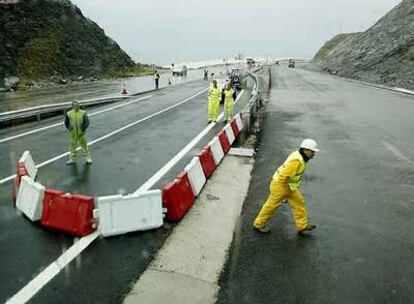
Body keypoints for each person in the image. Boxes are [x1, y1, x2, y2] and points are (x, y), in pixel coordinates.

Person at [253, 139, 320, 234]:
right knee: (271, 206)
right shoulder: (296, 160)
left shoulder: (300, 156)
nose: (313, 154)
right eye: (312, 151)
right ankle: (258, 224)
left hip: (289, 187)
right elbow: (284, 176)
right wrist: (283, 194)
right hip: (281, 186)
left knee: (299, 203)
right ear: (305, 150)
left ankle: (302, 226)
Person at [64, 101, 92, 165]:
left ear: (78, 105)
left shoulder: (83, 112)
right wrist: (69, 128)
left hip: (81, 133)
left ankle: (87, 158)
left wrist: (83, 129)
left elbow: (87, 122)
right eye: (74, 105)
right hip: (73, 133)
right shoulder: (69, 113)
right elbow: (66, 122)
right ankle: (72, 159)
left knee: (84, 146)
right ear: (72, 106)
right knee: (72, 146)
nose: (75, 106)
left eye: (76, 105)